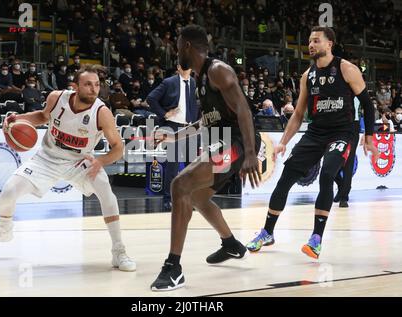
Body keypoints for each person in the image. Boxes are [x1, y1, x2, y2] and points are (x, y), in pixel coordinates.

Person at [0, 65, 136, 272]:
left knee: (107, 193)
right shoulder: (56, 98)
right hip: (47, 158)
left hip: (79, 162)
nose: (94, 89)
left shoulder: (102, 112)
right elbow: (43, 117)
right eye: (88, 84)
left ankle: (119, 251)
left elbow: (118, 148)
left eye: (97, 85)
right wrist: (20, 119)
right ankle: (5, 229)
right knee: (9, 191)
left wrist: (101, 161)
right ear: (75, 86)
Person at [246, 26, 379, 260]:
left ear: (330, 44)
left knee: (327, 175)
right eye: (309, 41)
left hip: (342, 132)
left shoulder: (347, 69)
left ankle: (316, 239)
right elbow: (298, 114)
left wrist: (369, 137)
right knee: (286, 176)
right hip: (316, 132)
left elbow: (368, 105)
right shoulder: (308, 76)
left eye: (316, 41)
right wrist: (283, 142)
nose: (311, 45)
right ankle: (267, 232)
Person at [150, 25, 261, 291]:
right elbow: (204, 121)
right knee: (198, 197)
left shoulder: (217, 71)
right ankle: (231, 244)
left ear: (187, 46)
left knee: (180, 185)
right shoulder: (201, 79)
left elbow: (244, 111)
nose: (176, 52)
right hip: (223, 142)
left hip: (236, 142)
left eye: (177, 46)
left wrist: (250, 154)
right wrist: (173, 137)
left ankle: (173, 267)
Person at [146, 64, 199, 211]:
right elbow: (151, 98)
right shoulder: (169, 82)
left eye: (189, 65)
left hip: (190, 128)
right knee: (173, 165)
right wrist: (164, 113)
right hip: (173, 127)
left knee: (191, 167)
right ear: (178, 67)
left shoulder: (194, 82)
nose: (187, 68)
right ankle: (168, 199)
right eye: (184, 65)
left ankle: (189, 198)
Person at [333, 97, 361, 208]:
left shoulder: (357, 91)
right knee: (333, 161)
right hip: (336, 125)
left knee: (348, 163)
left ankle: (344, 197)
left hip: (353, 125)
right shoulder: (338, 88)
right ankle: (341, 186)